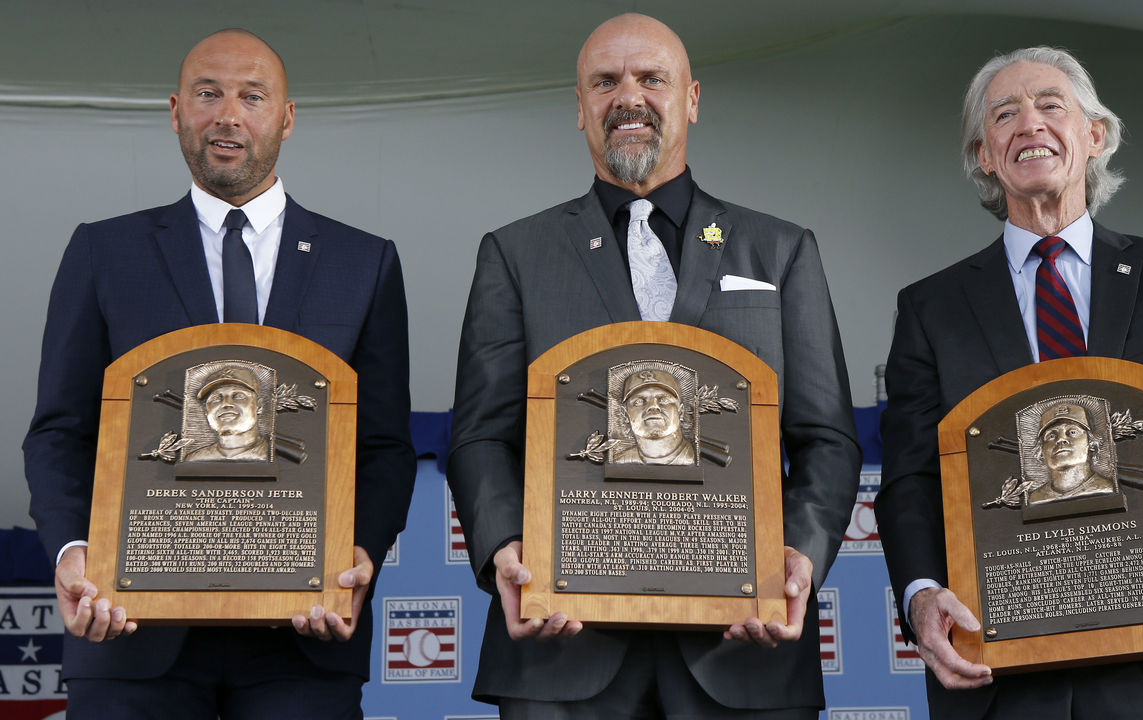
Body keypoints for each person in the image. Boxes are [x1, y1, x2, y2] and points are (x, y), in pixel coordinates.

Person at [447, 13, 861, 718]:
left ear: (691, 99)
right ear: (579, 108)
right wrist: (504, 551)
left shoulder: (780, 250)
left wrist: (797, 557)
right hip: (562, 651)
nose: (628, 97)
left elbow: (825, 435)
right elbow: (482, 432)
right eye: (605, 82)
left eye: (651, 79)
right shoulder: (515, 254)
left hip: (743, 649)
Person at [22, 28, 416, 720]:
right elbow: (59, 430)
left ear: (286, 118)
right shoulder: (102, 251)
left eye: (251, 96)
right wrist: (72, 552)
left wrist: (358, 556)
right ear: (176, 110)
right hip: (130, 632)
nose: (228, 114)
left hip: (301, 641)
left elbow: (383, 446)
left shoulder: (364, 264)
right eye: (208, 93)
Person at [876, 46, 1143, 719]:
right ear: (985, 155)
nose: (1028, 123)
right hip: (1004, 673)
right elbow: (910, 478)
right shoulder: (931, 307)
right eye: (1005, 114)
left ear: (1095, 135)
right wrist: (920, 595)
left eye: (1049, 105)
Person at [1026, 401, 1113, 504]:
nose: (1061, 439)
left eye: (1072, 432)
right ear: (1041, 451)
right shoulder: (1034, 498)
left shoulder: (1107, 488)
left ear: (1091, 443)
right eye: (1051, 436)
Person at [186, 365, 271, 462]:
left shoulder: (271, 454)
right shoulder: (194, 459)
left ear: (259, 406)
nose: (226, 403)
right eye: (216, 398)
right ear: (206, 410)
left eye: (238, 396)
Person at [614, 368, 696, 465]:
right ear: (625, 415)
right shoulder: (619, 461)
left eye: (663, 399)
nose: (653, 406)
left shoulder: (697, 457)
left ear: (681, 411)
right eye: (639, 401)